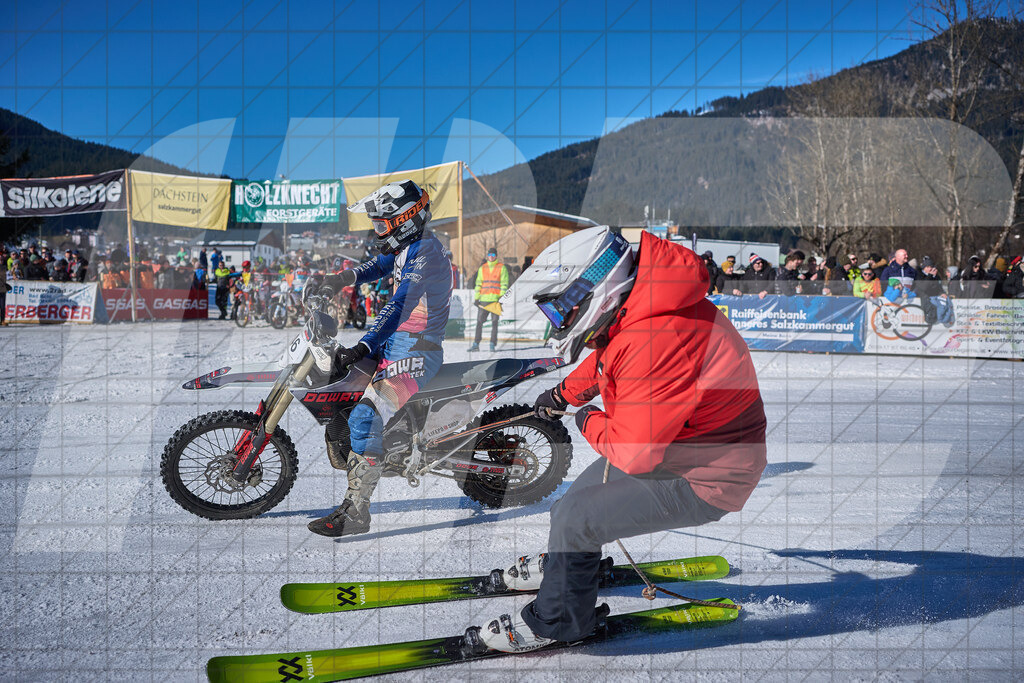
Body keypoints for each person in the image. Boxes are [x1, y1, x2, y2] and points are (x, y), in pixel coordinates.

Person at [469, 228, 767, 653]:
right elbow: (609, 359)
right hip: (682, 448)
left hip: (710, 476)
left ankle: (559, 622)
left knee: (578, 519)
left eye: (558, 310)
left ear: (594, 291)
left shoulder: (656, 338)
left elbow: (633, 452)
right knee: (570, 508)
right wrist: (564, 394)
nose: (556, 321)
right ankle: (569, 570)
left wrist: (587, 418)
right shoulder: (646, 307)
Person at [306, 179, 453, 537]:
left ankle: (356, 513)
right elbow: (380, 264)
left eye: (382, 224)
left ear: (405, 220)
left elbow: (399, 305)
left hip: (417, 350)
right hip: (398, 344)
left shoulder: (426, 253)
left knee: (364, 416)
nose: (377, 232)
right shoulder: (409, 245)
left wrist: (364, 345)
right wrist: (342, 277)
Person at [468, 246, 509, 352]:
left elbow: (504, 284)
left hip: (495, 300)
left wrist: (501, 297)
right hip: (484, 300)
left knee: (494, 323)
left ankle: (492, 344)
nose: (491, 256)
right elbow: (478, 284)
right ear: (487, 256)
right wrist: (477, 298)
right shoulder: (483, 268)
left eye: (493, 255)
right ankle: (476, 344)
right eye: (489, 255)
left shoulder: (501, 268)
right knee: (479, 322)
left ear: (496, 256)